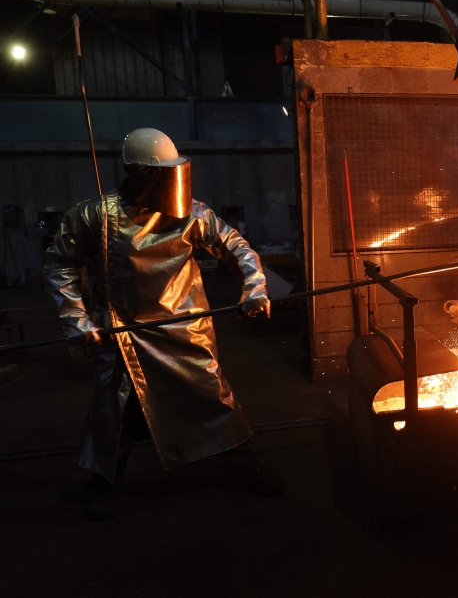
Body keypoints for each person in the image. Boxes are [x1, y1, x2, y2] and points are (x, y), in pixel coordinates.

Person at [44, 127, 283, 509]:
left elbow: (237, 246)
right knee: (115, 413)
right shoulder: (95, 216)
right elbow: (60, 264)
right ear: (140, 172)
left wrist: (254, 288)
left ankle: (246, 465)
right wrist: (77, 319)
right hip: (122, 336)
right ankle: (103, 485)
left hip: (184, 332)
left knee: (213, 401)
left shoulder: (192, 213)